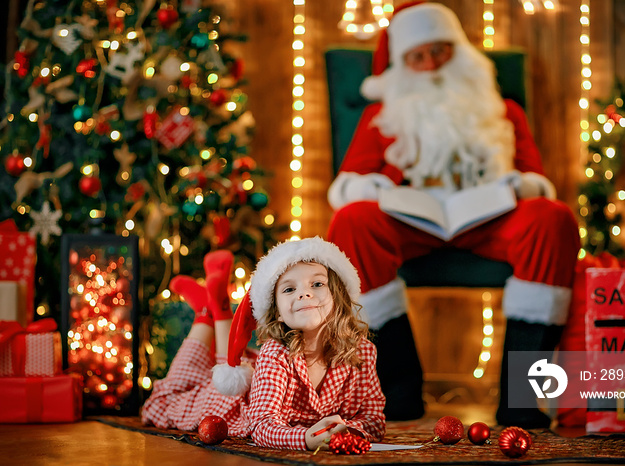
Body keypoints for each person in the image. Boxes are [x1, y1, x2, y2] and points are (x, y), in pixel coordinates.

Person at [326, 1, 580, 427]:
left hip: (491, 220)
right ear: (404, 65)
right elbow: (348, 183)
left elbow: (536, 179)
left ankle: (521, 397)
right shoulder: (380, 116)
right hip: (410, 221)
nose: (432, 65)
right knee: (351, 221)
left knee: (552, 219)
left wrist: (518, 185)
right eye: (418, 57)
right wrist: (377, 189)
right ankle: (399, 391)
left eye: (440, 51)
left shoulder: (504, 111)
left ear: (458, 51)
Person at [141, 237, 386, 450]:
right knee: (163, 399)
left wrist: (344, 429)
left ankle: (212, 311)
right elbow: (262, 425)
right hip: (227, 404)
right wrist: (307, 437)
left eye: (318, 284)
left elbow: (374, 421)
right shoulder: (275, 352)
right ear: (277, 311)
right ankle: (207, 313)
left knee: (220, 364)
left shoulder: (363, 352)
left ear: (338, 295)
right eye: (289, 289)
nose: (304, 293)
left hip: (254, 377)